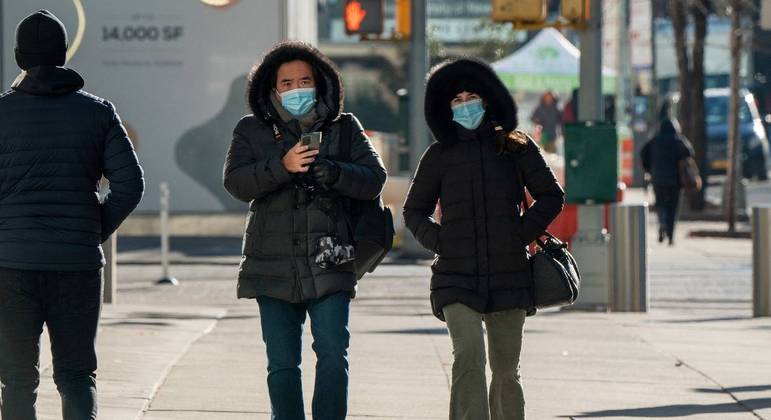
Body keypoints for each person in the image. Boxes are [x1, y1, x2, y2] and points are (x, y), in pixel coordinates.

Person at [223, 41, 386, 420]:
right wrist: (282, 166)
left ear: (320, 83)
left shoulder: (344, 128)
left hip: (330, 261)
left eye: (304, 81)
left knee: (332, 356)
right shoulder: (250, 130)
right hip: (272, 265)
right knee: (281, 365)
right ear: (272, 89)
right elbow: (235, 182)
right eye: (287, 83)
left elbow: (375, 179)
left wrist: (334, 171)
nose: (297, 89)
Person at [0, 10, 145, 420]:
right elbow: (131, 185)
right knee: (77, 376)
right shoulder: (98, 112)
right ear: (63, 54)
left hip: (10, 267)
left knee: (16, 378)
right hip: (77, 265)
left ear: (18, 56)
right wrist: (91, 229)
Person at [403, 58, 564, 420]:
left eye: (471, 96)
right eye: (456, 99)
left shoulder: (516, 147)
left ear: (488, 99)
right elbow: (414, 211)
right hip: (455, 278)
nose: (464, 105)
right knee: (469, 357)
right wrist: (442, 242)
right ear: (445, 108)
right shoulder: (438, 156)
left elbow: (552, 195)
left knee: (506, 370)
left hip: (510, 275)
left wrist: (518, 234)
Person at [641, 119, 694, 245]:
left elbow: (643, 154)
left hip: (658, 178)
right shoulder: (679, 141)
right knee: (673, 207)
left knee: (660, 204)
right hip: (676, 180)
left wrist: (649, 169)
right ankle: (670, 236)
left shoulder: (654, 141)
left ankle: (662, 223)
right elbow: (690, 153)